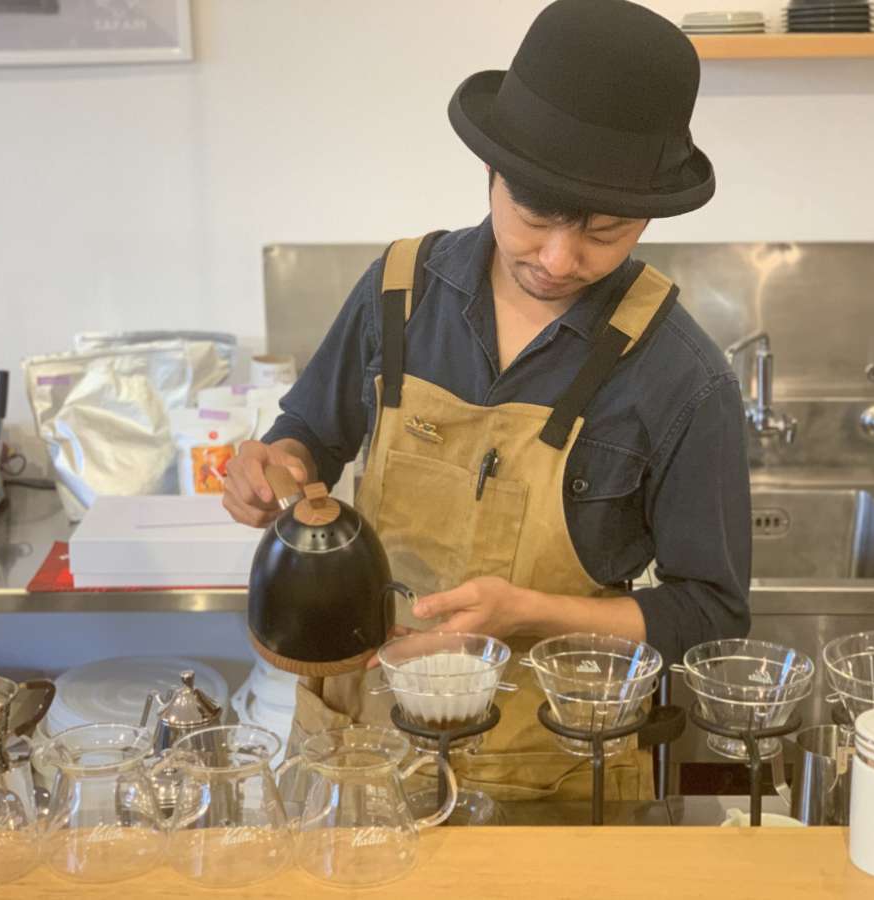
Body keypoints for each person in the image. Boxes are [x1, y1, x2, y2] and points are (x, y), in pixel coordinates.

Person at [223, 0, 751, 801]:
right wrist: (276, 466)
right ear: (491, 174)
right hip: (367, 748)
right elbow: (309, 434)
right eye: (536, 214)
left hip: (555, 765)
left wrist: (530, 613)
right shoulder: (398, 293)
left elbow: (709, 614)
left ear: (648, 217)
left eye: (605, 232)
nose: (559, 259)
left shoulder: (682, 376)